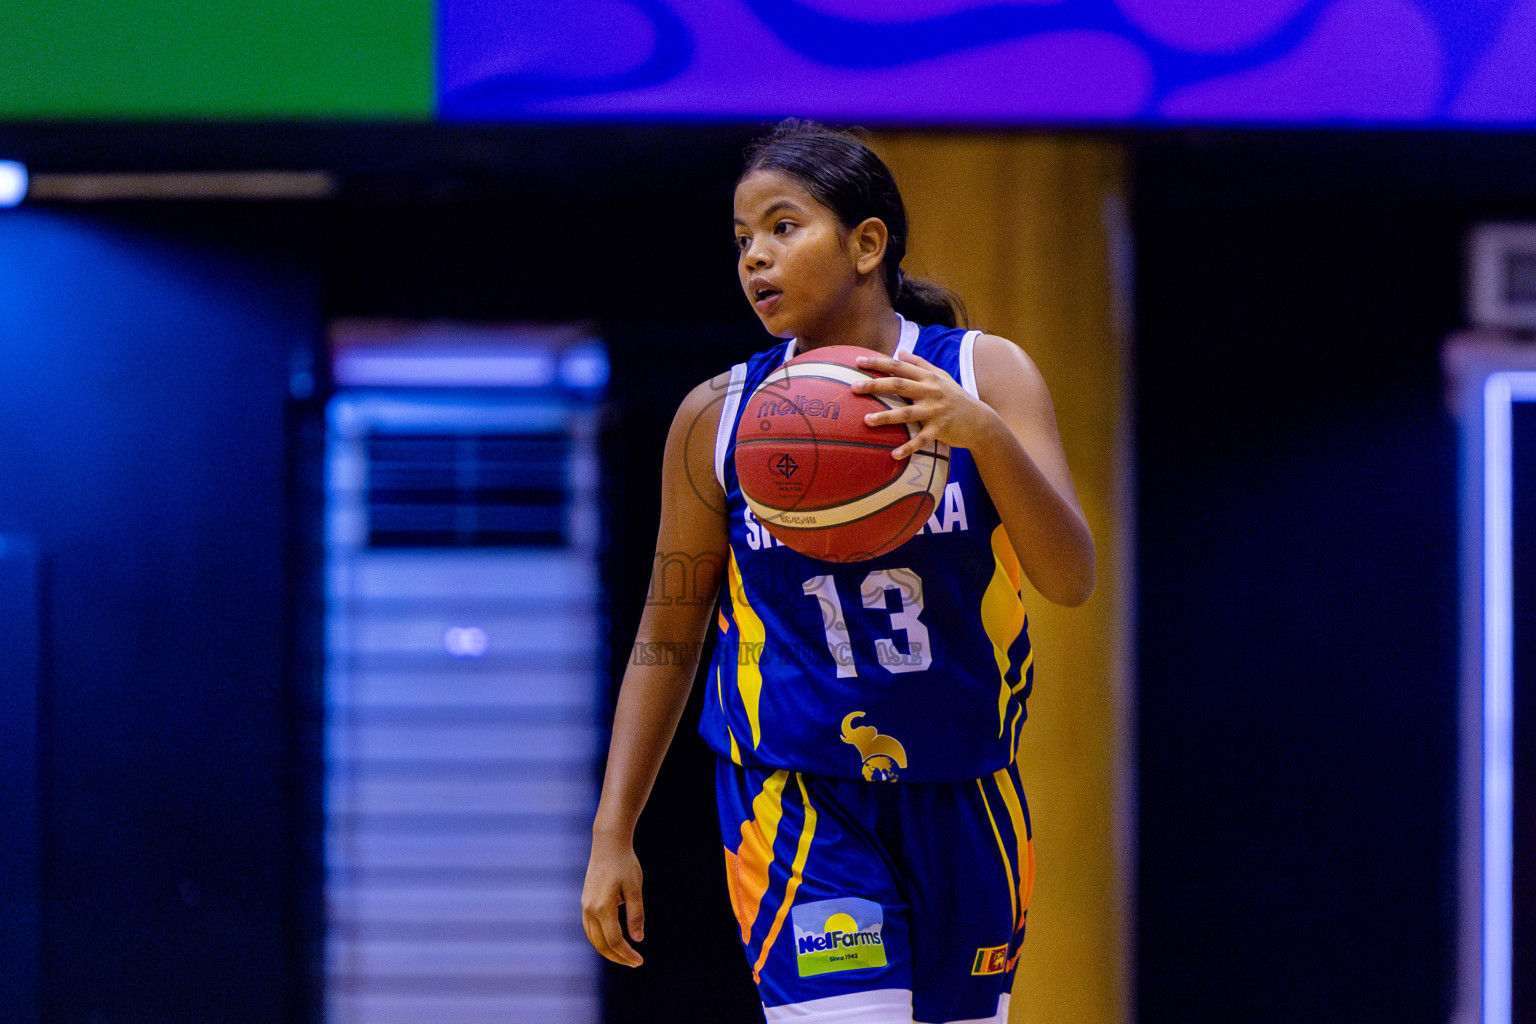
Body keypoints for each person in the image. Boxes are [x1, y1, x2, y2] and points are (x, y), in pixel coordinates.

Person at [582, 119, 1095, 1024]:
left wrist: (982, 435)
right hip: (797, 793)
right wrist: (611, 832)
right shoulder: (718, 415)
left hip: (967, 788)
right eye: (743, 240)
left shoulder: (984, 374)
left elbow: (1069, 576)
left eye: (784, 228)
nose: (755, 260)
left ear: (867, 244)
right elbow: (668, 635)